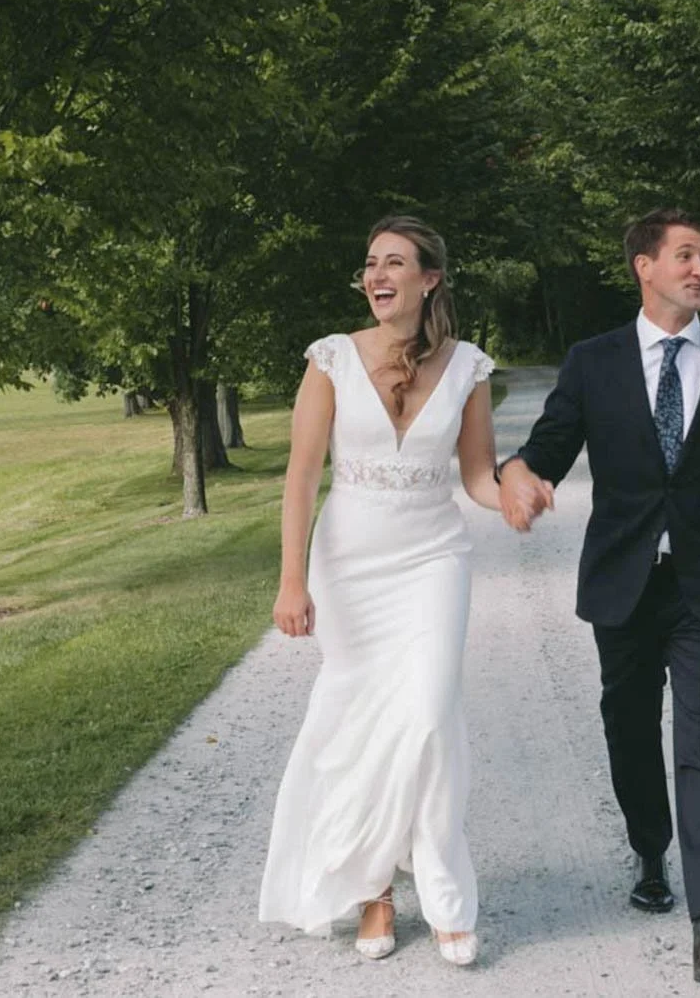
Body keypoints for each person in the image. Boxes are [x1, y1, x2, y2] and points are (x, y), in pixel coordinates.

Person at [497, 208, 700, 985]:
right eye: (686, 256)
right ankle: (649, 847)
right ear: (645, 266)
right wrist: (518, 476)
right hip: (623, 584)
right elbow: (552, 445)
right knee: (630, 731)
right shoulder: (594, 361)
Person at [258, 215, 500, 967]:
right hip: (349, 566)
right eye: (369, 263)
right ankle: (374, 890)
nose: (376, 275)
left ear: (430, 279)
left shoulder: (468, 369)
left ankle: (447, 892)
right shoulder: (331, 358)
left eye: (394, 262)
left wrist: (519, 491)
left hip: (433, 558)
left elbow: (478, 478)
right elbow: (301, 475)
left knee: (427, 716)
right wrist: (291, 578)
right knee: (361, 724)